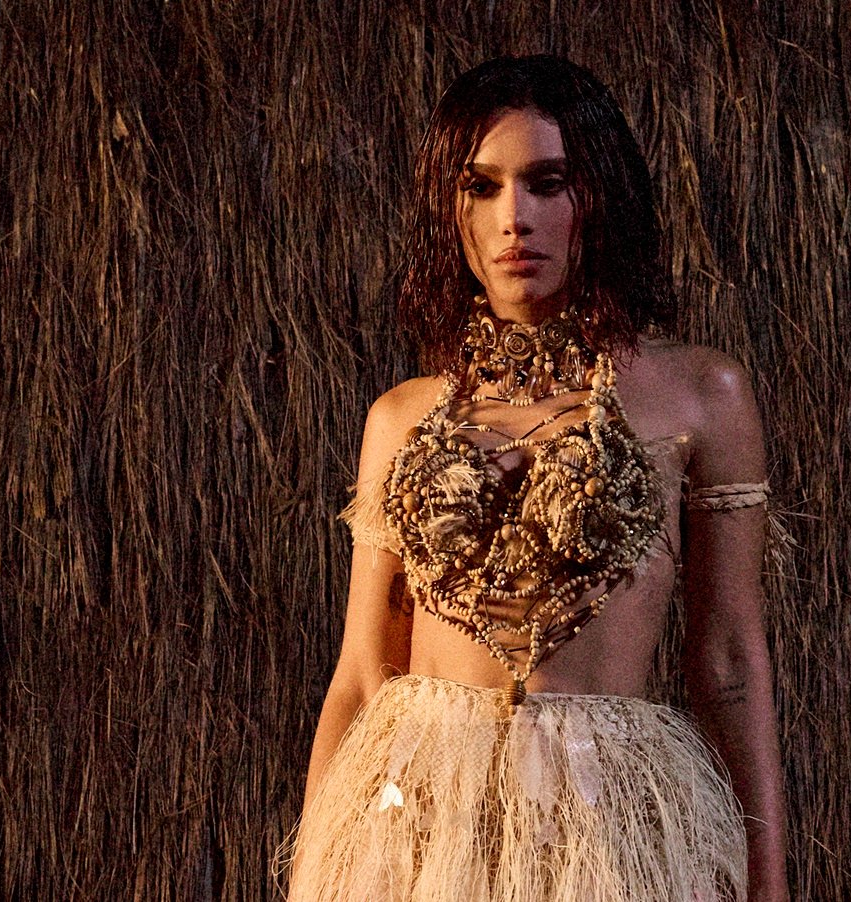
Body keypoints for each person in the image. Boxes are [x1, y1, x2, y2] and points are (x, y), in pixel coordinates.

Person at [283, 55, 788, 901]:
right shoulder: (401, 417)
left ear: (600, 197)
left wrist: (768, 884)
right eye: (481, 187)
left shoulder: (702, 394)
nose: (513, 218)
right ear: (451, 209)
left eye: (547, 183)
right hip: (414, 834)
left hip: (604, 833)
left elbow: (729, 661)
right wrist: (312, 879)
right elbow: (365, 676)